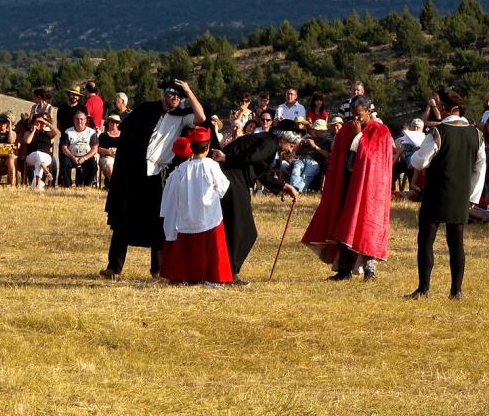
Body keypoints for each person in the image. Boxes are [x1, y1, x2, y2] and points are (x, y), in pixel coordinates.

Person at [101, 80, 205, 280]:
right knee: (124, 219)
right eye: (171, 94)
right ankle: (114, 267)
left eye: (178, 96)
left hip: (160, 175)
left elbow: (201, 116)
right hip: (136, 172)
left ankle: (158, 270)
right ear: (163, 94)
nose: (174, 98)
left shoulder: (182, 118)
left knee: (160, 222)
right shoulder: (146, 110)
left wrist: (189, 91)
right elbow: (128, 134)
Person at [405, 88, 486, 300]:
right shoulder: (476, 134)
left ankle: (423, 289)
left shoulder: (439, 132)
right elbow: (480, 168)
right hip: (461, 194)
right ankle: (456, 291)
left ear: (445, 109)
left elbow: (421, 162)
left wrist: (414, 153)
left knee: (426, 240)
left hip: (437, 192)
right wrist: (473, 198)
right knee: (456, 243)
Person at [301, 95, 393, 281]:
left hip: (369, 188)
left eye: (359, 115)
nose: (356, 119)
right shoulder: (345, 130)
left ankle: (369, 269)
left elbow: (374, 161)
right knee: (343, 223)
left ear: (368, 111)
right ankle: (343, 270)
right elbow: (338, 158)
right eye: (353, 115)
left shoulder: (380, 132)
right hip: (347, 183)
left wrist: (360, 136)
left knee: (366, 224)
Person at [210, 120, 300, 284]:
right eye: (291, 145)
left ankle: (225, 271)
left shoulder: (265, 140)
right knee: (244, 231)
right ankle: (229, 273)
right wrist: (226, 157)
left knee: (235, 229)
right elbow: (252, 158)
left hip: (232, 179)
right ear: (283, 139)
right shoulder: (268, 144)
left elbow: (260, 173)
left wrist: (283, 186)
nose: (291, 149)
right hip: (231, 180)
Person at [159, 127, 233, 286]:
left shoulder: (180, 170)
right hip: (209, 216)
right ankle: (213, 277)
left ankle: (187, 275)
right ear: (207, 148)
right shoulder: (211, 165)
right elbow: (223, 188)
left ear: (191, 147)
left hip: (186, 217)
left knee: (188, 249)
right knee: (213, 248)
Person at [59, 110, 99, 187]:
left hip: (86, 156)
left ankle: (87, 185)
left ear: (85, 120)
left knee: (93, 165)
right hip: (71, 156)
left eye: (81, 119)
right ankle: (68, 185)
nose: (79, 121)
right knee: (64, 163)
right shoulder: (67, 132)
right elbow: (64, 148)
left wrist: (85, 158)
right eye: (77, 119)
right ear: (73, 120)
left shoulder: (91, 132)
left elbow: (95, 149)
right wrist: (73, 157)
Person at [22, 110, 58, 191]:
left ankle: (37, 184)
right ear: (33, 122)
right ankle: (46, 172)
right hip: (31, 157)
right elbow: (27, 141)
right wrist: (34, 130)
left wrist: (47, 123)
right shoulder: (28, 132)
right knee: (38, 154)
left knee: (39, 160)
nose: (39, 124)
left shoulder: (47, 133)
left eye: (41, 122)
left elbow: (56, 132)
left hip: (46, 157)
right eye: (37, 122)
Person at [98, 114, 121, 185]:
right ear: (108, 123)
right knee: (109, 166)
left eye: (117, 122)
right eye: (112, 122)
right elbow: (97, 149)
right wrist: (108, 152)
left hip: (121, 158)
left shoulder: (124, 135)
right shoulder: (103, 136)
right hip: (107, 157)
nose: (114, 124)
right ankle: (116, 188)